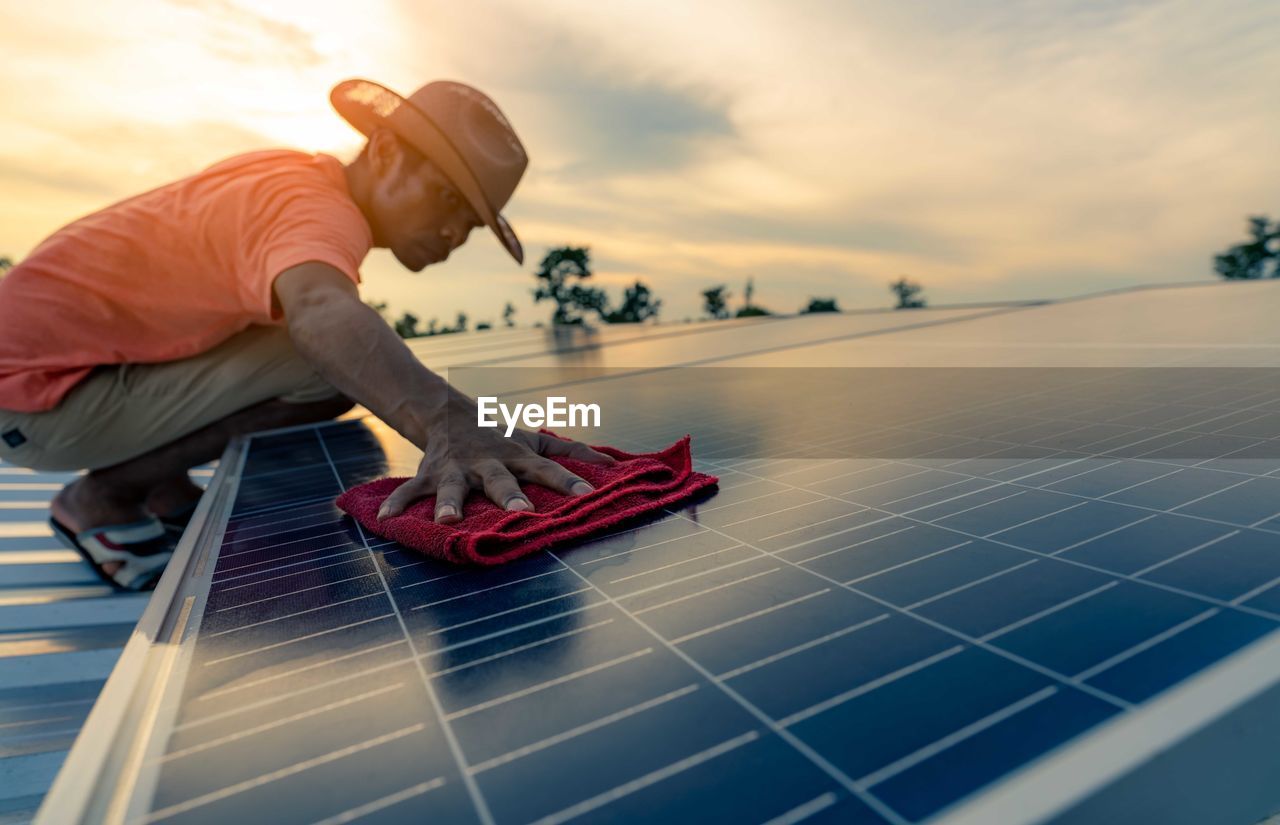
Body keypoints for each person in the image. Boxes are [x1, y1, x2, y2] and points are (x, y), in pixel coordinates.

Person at [0, 78, 614, 590]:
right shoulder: (316, 208)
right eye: (448, 198)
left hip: (62, 370)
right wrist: (453, 423)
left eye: (471, 223)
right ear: (382, 152)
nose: (455, 232)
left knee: (333, 352)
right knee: (323, 359)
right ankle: (102, 501)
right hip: (33, 392)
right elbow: (321, 314)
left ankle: (163, 489)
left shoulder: (293, 180)